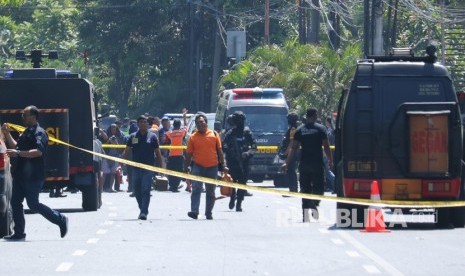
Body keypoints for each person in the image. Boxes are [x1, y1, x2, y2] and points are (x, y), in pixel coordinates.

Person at [2, 105, 68, 241]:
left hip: (33, 176)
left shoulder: (40, 133)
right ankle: (19, 233)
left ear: (33, 117)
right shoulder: (26, 132)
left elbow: (38, 152)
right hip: (21, 175)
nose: (22, 117)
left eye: (24, 115)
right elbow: (16, 147)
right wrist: (7, 134)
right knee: (15, 202)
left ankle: (60, 219)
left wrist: (18, 153)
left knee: (33, 204)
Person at [281, 108, 333, 222]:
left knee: (305, 189)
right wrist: (330, 160)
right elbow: (326, 146)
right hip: (317, 164)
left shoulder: (300, 130)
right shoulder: (321, 129)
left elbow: (293, 149)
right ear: (314, 116)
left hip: (304, 164)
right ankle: (313, 204)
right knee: (319, 189)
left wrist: (287, 163)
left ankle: (306, 213)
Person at [184, 112, 228, 220]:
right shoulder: (193, 137)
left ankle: (208, 212)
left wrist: (224, 165)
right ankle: (194, 211)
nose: (200, 125)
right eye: (198, 123)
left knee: (210, 191)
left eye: (202, 122)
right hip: (197, 167)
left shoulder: (214, 134)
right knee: (196, 189)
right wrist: (185, 168)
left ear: (206, 123)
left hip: (212, 167)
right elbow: (189, 154)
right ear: (196, 125)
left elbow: (219, 151)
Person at [122, 115, 163, 220]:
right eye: (141, 122)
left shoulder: (152, 137)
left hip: (148, 168)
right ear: (138, 124)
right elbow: (126, 151)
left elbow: (158, 154)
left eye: (145, 122)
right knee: (137, 190)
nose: (143, 124)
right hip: (135, 168)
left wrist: (161, 169)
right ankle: (142, 208)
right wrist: (120, 163)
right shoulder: (133, 137)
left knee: (146, 189)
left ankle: (144, 212)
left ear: (148, 124)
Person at [222, 111, 257, 212]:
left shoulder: (247, 132)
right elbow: (224, 146)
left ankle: (239, 203)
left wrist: (247, 153)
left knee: (242, 183)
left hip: (244, 163)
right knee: (233, 182)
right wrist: (231, 153)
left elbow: (254, 147)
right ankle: (233, 197)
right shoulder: (231, 133)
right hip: (233, 163)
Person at [165, 112, 188, 192]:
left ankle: (172, 186)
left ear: (173, 125)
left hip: (171, 155)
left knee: (171, 170)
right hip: (179, 155)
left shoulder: (170, 133)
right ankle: (176, 186)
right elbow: (186, 126)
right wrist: (184, 116)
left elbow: (166, 132)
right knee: (179, 170)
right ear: (179, 125)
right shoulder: (182, 133)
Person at [279, 112, 300, 194]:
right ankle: (293, 188)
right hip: (293, 152)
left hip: (292, 153)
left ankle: (293, 188)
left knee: (291, 170)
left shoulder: (293, 129)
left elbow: (292, 142)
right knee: (290, 170)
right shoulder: (293, 128)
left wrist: (286, 153)